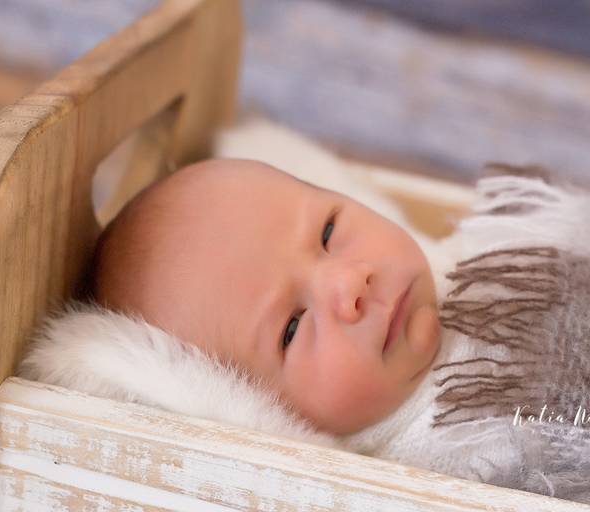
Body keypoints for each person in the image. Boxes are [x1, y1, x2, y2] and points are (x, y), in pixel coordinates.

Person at [91, 158, 443, 435]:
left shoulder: (463, 263)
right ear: (266, 412)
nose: (349, 283)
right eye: (292, 329)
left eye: (328, 232)